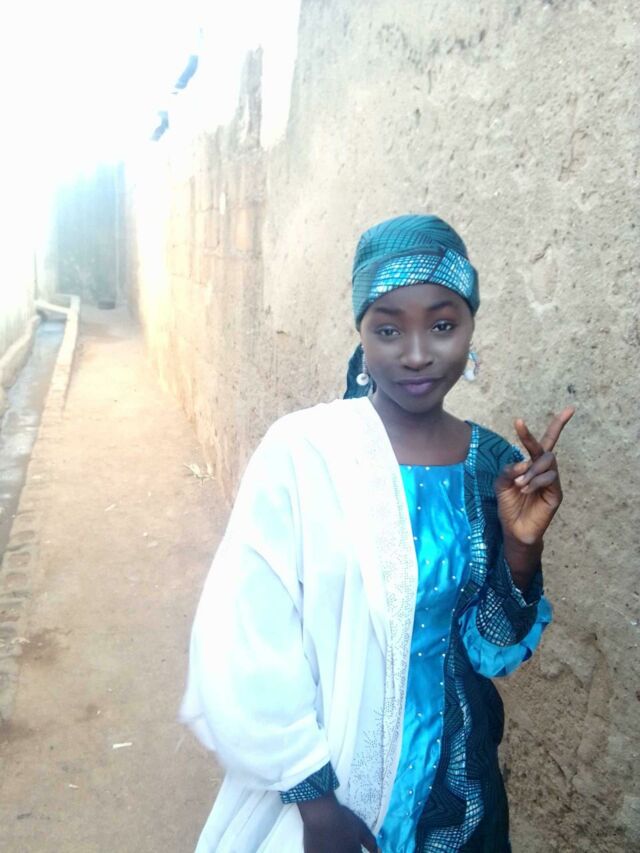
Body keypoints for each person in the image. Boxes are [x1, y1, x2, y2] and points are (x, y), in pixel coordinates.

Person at [180, 214, 573, 853]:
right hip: (334, 794)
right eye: (389, 329)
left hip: (461, 794)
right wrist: (315, 804)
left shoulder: (492, 466)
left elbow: (490, 650)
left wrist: (523, 548)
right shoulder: (305, 454)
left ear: (471, 328)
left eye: (442, 326)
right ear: (361, 335)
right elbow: (245, 633)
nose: (416, 354)